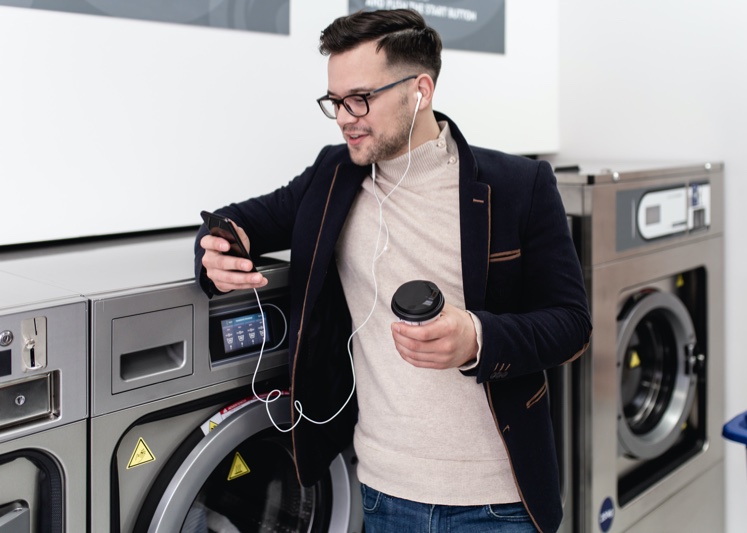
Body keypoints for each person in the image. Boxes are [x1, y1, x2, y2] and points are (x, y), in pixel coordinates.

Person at [195, 8, 591, 533]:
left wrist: (476, 337)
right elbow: (238, 223)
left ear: (420, 90)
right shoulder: (333, 176)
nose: (344, 117)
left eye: (360, 99)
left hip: (499, 500)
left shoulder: (519, 185)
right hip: (382, 492)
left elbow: (572, 325)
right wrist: (216, 246)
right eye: (334, 102)